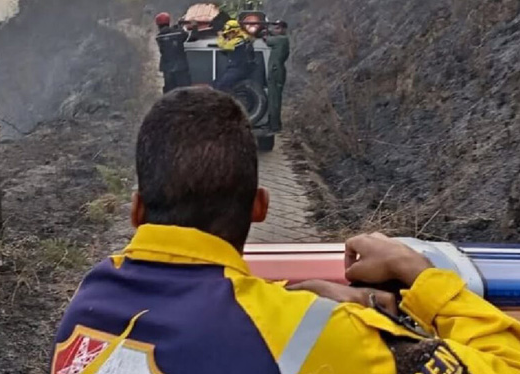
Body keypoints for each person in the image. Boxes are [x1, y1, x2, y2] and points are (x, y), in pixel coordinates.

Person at [50, 87, 520, 374]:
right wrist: (415, 275)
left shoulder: (87, 307)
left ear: (136, 211)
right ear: (260, 207)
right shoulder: (313, 334)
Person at [155, 12, 198, 94]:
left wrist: (178, 26)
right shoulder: (178, 33)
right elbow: (192, 38)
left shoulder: (159, 37)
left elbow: (169, 36)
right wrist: (194, 27)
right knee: (185, 93)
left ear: (158, 24)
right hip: (180, 69)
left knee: (170, 94)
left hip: (168, 70)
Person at [263, 20, 290, 131]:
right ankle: (275, 124)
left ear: (284, 29)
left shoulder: (281, 39)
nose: (275, 30)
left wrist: (265, 31)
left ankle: (274, 125)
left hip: (276, 71)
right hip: (278, 70)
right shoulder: (282, 39)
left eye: (278, 28)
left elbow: (266, 40)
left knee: (274, 99)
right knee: (275, 98)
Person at [212, 20, 253, 92]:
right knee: (216, 82)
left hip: (239, 68)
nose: (227, 35)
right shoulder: (240, 38)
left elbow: (225, 46)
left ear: (235, 31)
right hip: (234, 68)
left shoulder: (240, 39)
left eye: (229, 33)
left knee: (222, 86)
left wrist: (220, 37)